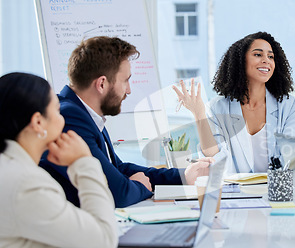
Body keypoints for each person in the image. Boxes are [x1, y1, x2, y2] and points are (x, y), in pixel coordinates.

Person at [40, 36, 213, 208]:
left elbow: (118, 169)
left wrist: (183, 176)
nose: (129, 90)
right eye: (126, 80)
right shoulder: (69, 117)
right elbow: (118, 194)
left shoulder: (83, 112)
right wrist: (140, 186)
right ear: (101, 84)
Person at [173, 32, 295, 173]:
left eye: (271, 56)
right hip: (235, 196)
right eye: (258, 54)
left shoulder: (287, 104)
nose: (266, 60)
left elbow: (292, 157)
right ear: (240, 61)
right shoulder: (217, 106)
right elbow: (216, 159)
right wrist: (198, 114)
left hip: (276, 193)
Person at [0, 73, 117, 248]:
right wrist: (84, 162)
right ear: (38, 122)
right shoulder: (25, 183)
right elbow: (105, 235)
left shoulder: (12, 169)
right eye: (57, 111)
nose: (63, 119)